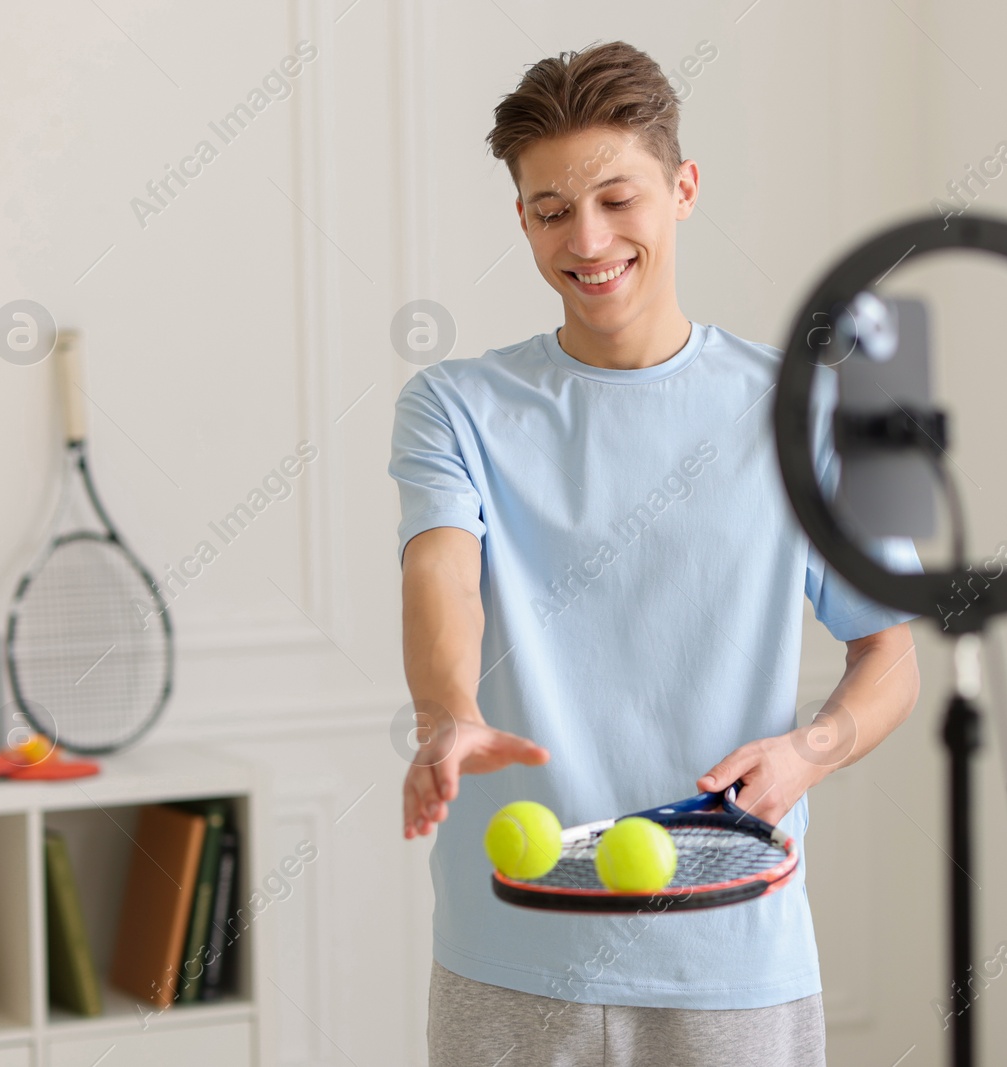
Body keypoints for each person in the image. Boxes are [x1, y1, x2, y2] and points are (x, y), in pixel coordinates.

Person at [387, 39, 922, 1067]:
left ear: (682, 188)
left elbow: (888, 655)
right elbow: (442, 569)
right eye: (551, 210)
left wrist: (806, 752)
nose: (586, 239)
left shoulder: (806, 406)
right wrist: (447, 710)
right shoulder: (455, 406)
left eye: (616, 198)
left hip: (728, 956)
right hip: (511, 951)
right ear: (523, 219)